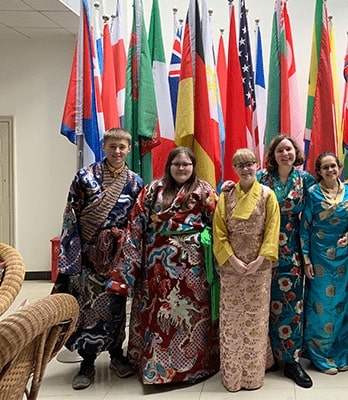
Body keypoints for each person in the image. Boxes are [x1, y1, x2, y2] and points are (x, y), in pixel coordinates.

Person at [106, 147, 220, 385]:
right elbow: (135, 227)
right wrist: (126, 271)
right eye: (177, 164)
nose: (182, 168)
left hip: (193, 267)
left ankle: (195, 367)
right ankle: (155, 367)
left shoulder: (205, 190)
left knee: (191, 316)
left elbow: (219, 225)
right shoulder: (152, 190)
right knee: (157, 314)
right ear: (169, 166)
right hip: (156, 266)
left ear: (193, 167)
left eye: (186, 164)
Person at [52, 128, 144, 390]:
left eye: (122, 147)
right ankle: (87, 362)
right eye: (112, 146)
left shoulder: (135, 182)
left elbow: (138, 223)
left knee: (116, 307)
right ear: (104, 147)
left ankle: (117, 355)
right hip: (89, 256)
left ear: (128, 150)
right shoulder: (85, 177)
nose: (117, 151)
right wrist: (72, 257)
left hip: (118, 256)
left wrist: (131, 253)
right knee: (87, 309)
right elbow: (71, 216)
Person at [213, 148, 281, 392]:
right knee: (231, 320)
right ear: (234, 168)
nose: (245, 169)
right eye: (240, 165)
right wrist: (231, 259)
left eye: (250, 163)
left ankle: (252, 376)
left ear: (257, 165)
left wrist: (259, 260)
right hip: (231, 267)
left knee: (255, 320)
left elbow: (272, 230)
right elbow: (219, 231)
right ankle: (232, 375)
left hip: (258, 267)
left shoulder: (267, 194)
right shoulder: (227, 194)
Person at [256, 135, 316, 388]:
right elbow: (240, 194)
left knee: (292, 306)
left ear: (296, 153)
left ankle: (291, 360)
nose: (285, 154)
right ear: (273, 154)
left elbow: (328, 191)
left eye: (289, 149)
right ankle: (266, 357)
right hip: (261, 250)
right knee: (262, 304)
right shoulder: (261, 178)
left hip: (292, 250)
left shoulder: (305, 180)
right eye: (280, 150)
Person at [300, 152, 348, 375]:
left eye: (333, 166)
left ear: (339, 167)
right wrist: (306, 259)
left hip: (341, 256)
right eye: (325, 167)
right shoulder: (313, 193)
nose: (330, 170)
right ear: (319, 171)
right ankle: (320, 356)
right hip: (318, 257)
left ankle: (339, 354)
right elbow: (304, 227)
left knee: (341, 306)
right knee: (320, 307)